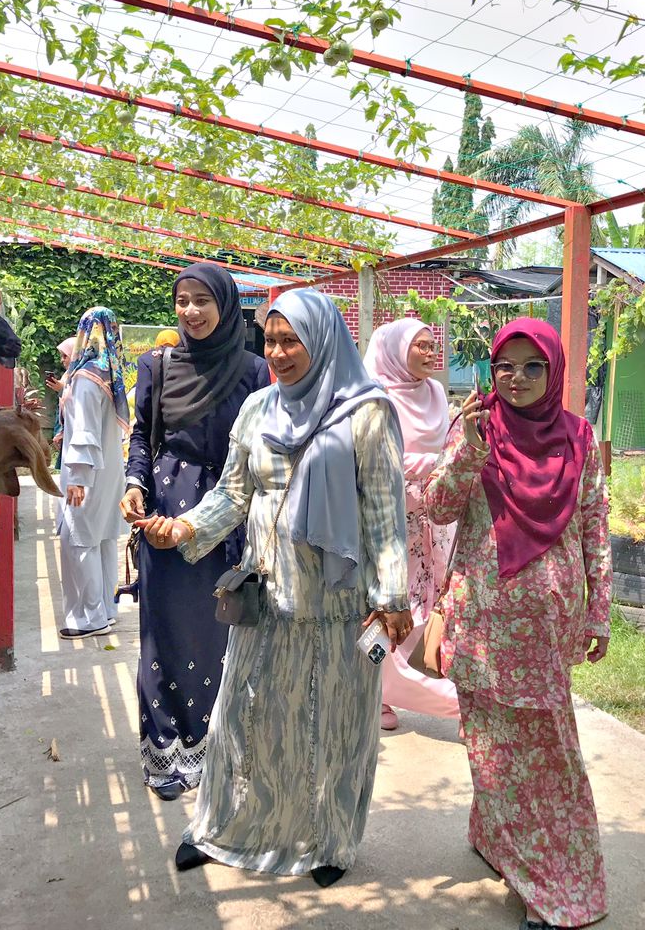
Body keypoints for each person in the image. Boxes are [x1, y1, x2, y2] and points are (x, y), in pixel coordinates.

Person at [138, 288, 410, 888]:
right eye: (271, 340)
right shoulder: (258, 408)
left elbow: (387, 514)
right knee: (244, 720)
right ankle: (224, 829)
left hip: (338, 607)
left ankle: (331, 839)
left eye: (293, 341)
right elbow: (234, 494)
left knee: (332, 727)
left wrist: (392, 597)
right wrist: (184, 527)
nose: (280, 352)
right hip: (268, 599)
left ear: (323, 341)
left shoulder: (367, 412)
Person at [424, 318, 611, 930]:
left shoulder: (578, 436)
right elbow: (437, 507)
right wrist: (472, 449)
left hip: (544, 624)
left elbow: (594, 526)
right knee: (491, 750)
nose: (519, 378)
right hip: (480, 616)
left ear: (554, 371)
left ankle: (559, 884)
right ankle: (500, 840)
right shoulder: (475, 430)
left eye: (534, 367)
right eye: (507, 366)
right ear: (491, 371)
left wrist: (600, 611)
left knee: (548, 756)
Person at [119, 263, 269, 801]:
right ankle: (163, 750)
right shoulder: (156, 365)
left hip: (227, 509)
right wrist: (135, 482)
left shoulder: (253, 370)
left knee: (219, 633)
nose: (191, 312)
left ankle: (213, 747)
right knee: (162, 633)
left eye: (203, 300)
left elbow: (259, 447)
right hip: (165, 510)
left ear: (226, 305)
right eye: (182, 300)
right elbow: (142, 434)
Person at [363, 318, 460, 730]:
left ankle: (410, 683)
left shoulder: (437, 391)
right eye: (419, 345)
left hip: (436, 517)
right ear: (395, 352)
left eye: (432, 344)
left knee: (435, 601)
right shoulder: (376, 397)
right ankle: (377, 690)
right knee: (389, 604)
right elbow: (376, 459)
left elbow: (451, 443)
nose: (429, 352)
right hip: (392, 517)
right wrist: (434, 464)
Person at [56, 308, 129, 640]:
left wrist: (79, 480)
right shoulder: (109, 375)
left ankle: (90, 616)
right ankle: (107, 610)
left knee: (79, 541)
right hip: (110, 473)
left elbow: (84, 431)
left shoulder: (86, 379)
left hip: (88, 477)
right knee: (102, 540)